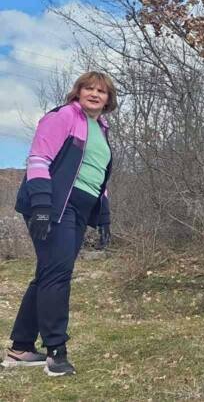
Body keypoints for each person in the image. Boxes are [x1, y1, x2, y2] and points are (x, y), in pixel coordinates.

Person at [4, 72, 116, 376]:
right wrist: (42, 206)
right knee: (58, 275)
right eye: (89, 88)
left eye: (101, 91)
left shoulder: (101, 128)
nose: (94, 94)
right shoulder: (64, 116)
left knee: (48, 273)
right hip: (55, 205)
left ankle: (21, 348)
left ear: (108, 99)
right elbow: (38, 158)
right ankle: (56, 352)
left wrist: (103, 216)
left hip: (80, 209)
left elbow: (98, 176)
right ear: (78, 91)